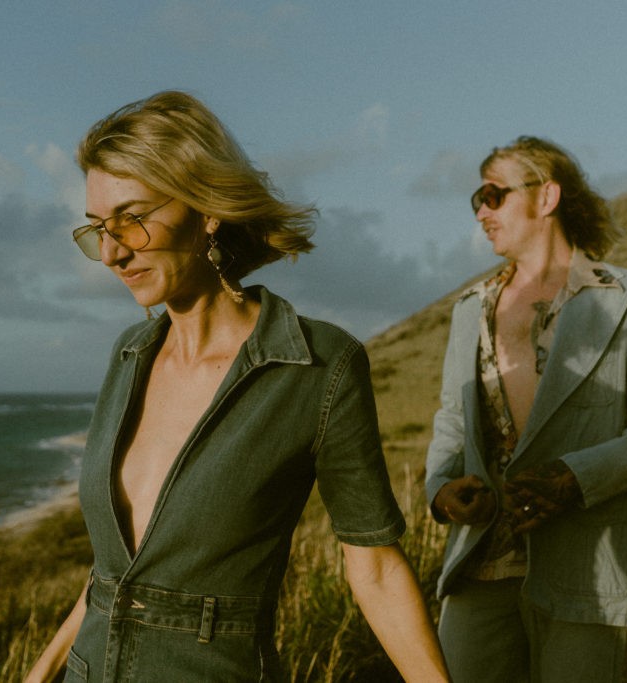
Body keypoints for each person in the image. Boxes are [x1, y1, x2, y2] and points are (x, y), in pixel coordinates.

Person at [25, 91, 450, 683]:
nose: (112, 251)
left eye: (132, 217)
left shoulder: (318, 366)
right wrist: (42, 668)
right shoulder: (129, 356)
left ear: (207, 209)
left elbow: (374, 566)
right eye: (98, 226)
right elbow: (116, 575)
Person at [424, 136, 627, 683]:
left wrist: (579, 478)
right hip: (481, 561)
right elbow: (452, 421)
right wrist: (440, 489)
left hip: (586, 562)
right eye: (475, 201)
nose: (482, 211)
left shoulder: (626, 296)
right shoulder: (469, 311)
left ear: (546, 196)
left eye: (493, 194)